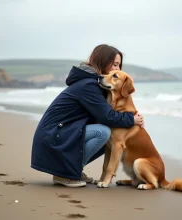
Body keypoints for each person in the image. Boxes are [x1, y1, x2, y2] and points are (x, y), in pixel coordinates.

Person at [31, 44, 144, 187]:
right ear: (103, 61)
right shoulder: (89, 85)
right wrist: (131, 119)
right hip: (53, 136)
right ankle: (64, 174)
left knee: (109, 135)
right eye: (114, 64)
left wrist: (133, 115)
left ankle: (74, 170)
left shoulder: (95, 83)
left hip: (61, 133)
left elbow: (106, 113)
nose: (118, 69)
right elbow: (107, 116)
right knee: (103, 132)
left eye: (119, 65)